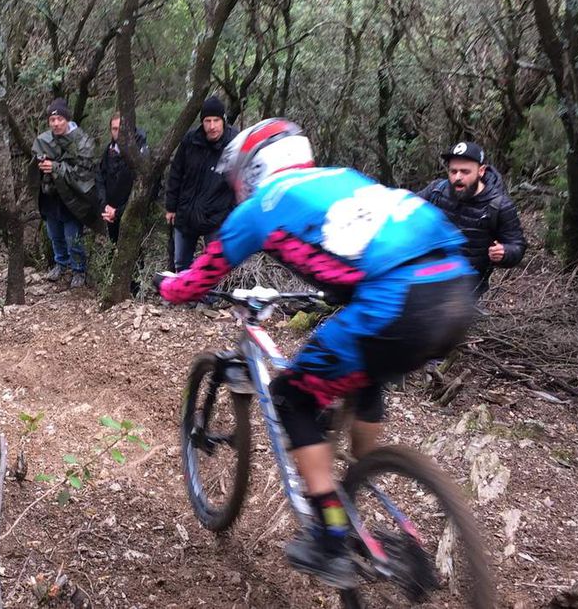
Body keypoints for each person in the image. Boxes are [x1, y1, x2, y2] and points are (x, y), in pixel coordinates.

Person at [156, 118, 476, 588]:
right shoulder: (342, 180)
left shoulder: (262, 205)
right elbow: (366, 244)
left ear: (252, 169)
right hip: (454, 287)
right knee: (366, 366)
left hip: (396, 298)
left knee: (292, 396)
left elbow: (201, 277)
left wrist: (172, 286)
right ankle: (366, 473)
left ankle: (329, 534)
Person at [418, 141, 527, 295]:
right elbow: (407, 207)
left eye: (465, 171)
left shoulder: (499, 206)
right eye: (453, 171)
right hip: (427, 275)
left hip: (467, 288)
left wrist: (505, 253)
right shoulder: (436, 190)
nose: (458, 177)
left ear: (481, 171)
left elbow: (517, 246)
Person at [32, 99, 99, 289]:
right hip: (51, 196)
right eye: (52, 120)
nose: (55, 123)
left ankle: (78, 270)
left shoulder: (82, 141)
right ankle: (60, 264)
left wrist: (56, 167)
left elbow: (83, 173)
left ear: (66, 119)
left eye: (59, 119)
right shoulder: (44, 140)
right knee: (54, 234)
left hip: (73, 198)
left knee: (73, 237)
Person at [164, 95, 237, 270]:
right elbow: (176, 172)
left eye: (216, 120)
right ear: (202, 122)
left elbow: (244, 180)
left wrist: (233, 213)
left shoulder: (235, 143)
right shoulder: (191, 140)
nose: (212, 126)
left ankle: (208, 298)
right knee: (180, 263)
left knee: (212, 267)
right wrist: (171, 207)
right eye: (207, 121)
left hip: (216, 216)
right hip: (186, 212)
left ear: (223, 120)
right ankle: (181, 297)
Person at [96, 113, 150, 244]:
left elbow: (145, 189)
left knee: (133, 252)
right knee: (114, 249)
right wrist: (105, 206)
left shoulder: (141, 152)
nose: (118, 133)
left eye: (121, 128)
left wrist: (119, 212)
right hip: (110, 214)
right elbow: (100, 178)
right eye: (114, 129)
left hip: (132, 214)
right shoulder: (109, 151)